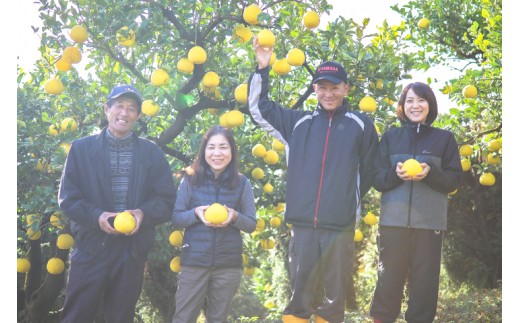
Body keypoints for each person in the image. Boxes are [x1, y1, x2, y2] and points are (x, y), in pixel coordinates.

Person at [247, 37, 379, 323]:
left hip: (340, 224)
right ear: (314, 89)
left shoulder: (361, 125)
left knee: (335, 295)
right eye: (322, 87)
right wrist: (262, 68)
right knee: (299, 295)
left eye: (334, 87)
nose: (328, 93)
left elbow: (370, 170)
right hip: (303, 223)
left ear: (346, 89)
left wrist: (345, 196)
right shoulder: (298, 123)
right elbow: (259, 110)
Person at [58, 84, 177, 323]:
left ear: (138, 116)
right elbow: (68, 199)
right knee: (76, 316)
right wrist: (97, 216)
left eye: (132, 109)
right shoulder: (81, 149)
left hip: (131, 251)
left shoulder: (151, 152)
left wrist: (143, 213)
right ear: (107, 109)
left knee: (121, 318)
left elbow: (166, 200)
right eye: (119, 106)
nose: (124, 113)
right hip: (91, 246)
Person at [369, 82, 463, 323]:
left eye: (421, 100)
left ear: (429, 105)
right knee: (388, 282)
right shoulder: (390, 137)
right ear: (402, 106)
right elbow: (377, 178)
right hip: (393, 224)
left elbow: (453, 181)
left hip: (429, 226)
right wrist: (395, 174)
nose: (415, 105)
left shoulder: (445, 139)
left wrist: (430, 173)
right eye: (409, 100)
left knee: (424, 288)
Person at [171, 125, 257, 323]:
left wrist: (234, 216)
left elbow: (251, 224)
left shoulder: (242, 183)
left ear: (232, 151)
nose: (217, 153)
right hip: (194, 262)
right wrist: (196, 213)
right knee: (183, 318)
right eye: (211, 147)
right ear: (203, 151)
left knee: (218, 319)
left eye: (223, 147)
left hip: (228, 265)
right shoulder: (190, 180)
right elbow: (176, 217)